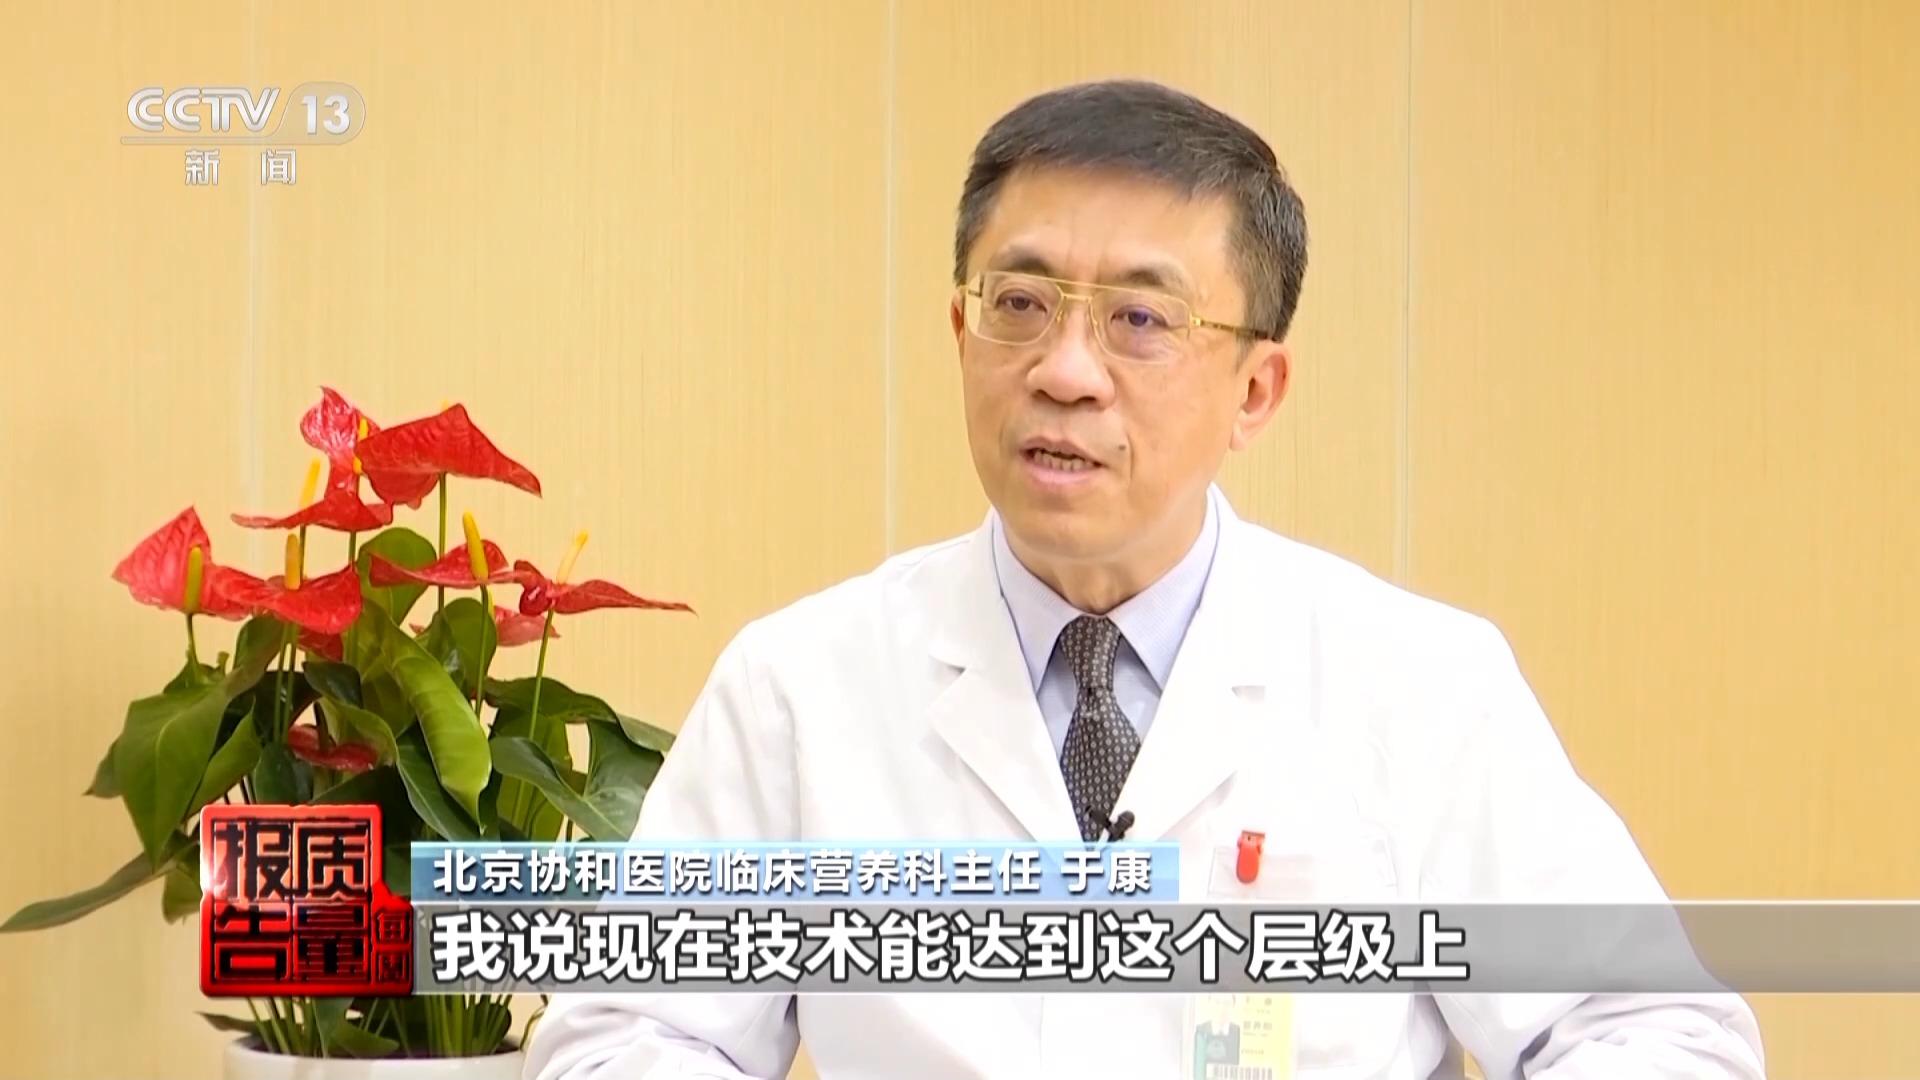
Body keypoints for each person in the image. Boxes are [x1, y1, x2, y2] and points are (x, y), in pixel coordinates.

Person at [523, 79, 1764, 1079]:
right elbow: (629, 1034)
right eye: (1020, 303)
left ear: (1256, 390)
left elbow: (1652, 1030)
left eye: (1140, 321)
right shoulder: (799, 686)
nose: (1065, 371)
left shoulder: (1417, 682)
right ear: (959, 333)